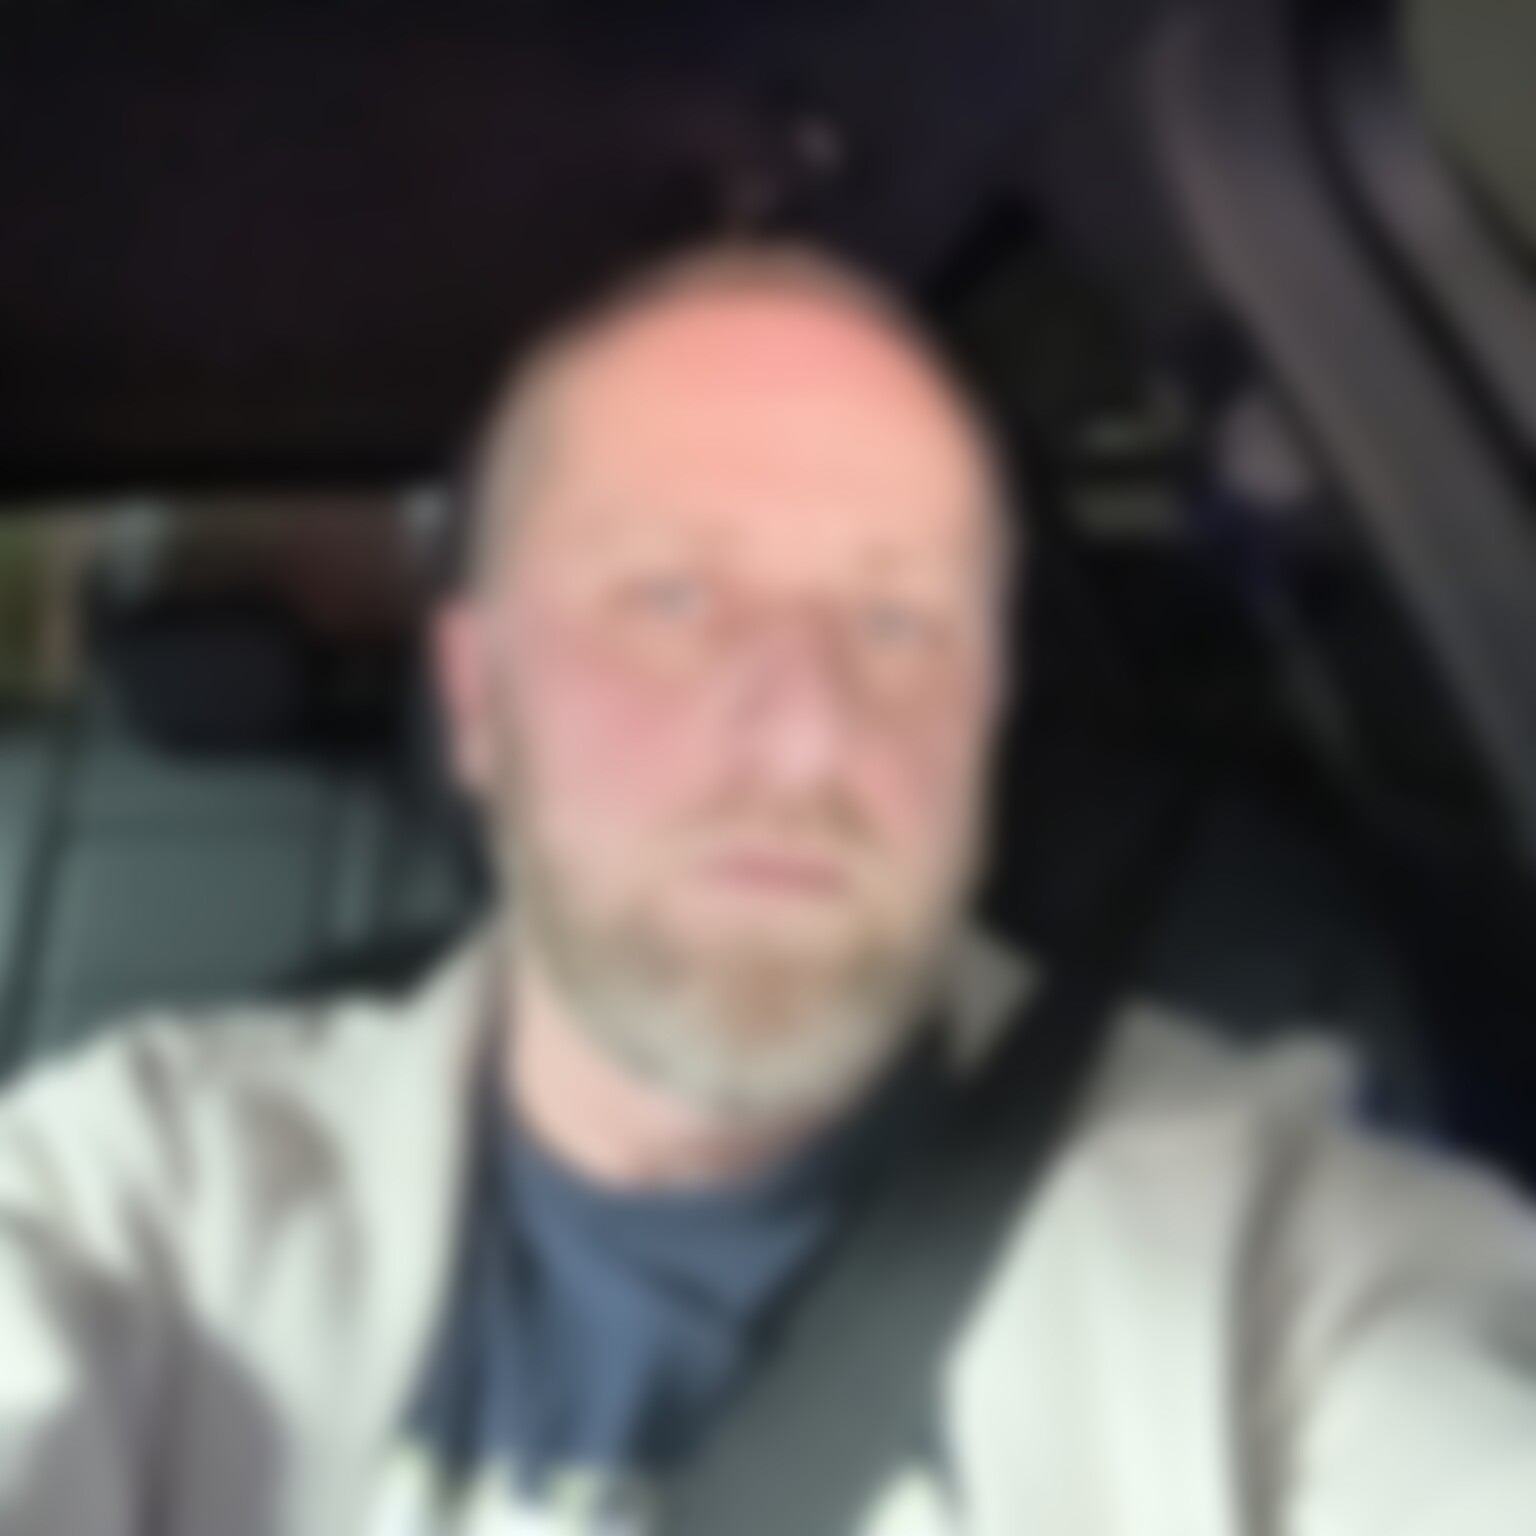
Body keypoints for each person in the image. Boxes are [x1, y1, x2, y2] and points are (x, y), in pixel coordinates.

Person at [2, 244, 1535, 1536]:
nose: (802, 732)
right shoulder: (129, 1200)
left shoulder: (1277, 1258)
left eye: (896, 618)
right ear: (478, 699)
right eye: (670, 598)